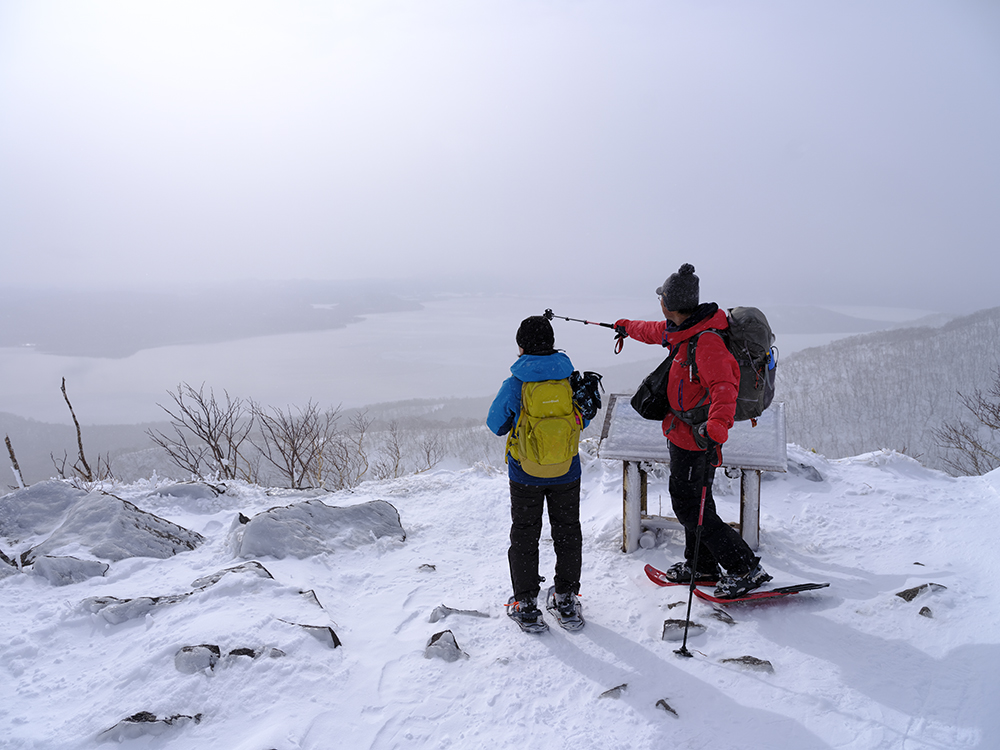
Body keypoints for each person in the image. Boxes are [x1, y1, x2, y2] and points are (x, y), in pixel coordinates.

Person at [615, 263, 771, 599]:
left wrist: (715, 428)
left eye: (662, 298)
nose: (659, 304)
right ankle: (700, 564)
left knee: (689, 507)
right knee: (699, 504)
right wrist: (626, 328)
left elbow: (725, 387)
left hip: (697, 438)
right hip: (682, 433)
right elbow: (654, 331)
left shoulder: (707, 341)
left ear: (670, 304)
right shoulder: (682, 329)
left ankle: (745, 568)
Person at [487, 315, 586, 632]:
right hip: (566, 470)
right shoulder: (568, 379)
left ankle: (526, 603)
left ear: (521, 347)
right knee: (568, 531)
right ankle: (566, 597)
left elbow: (495, 424)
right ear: (552, 343)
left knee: (525, 533)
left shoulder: (516, 384)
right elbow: (580, 420)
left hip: (525, 474)